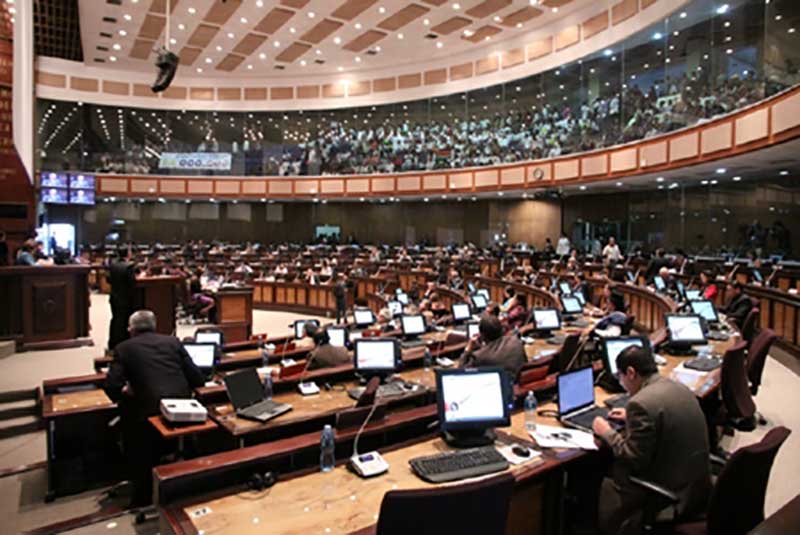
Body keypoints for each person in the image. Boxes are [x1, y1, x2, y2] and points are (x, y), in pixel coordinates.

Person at [592, 346, 710, 535]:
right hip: (696, 481)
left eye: (620, 377)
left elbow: (632, 457)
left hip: (670, 491)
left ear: (631, 373)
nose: (621, 384)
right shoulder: (676, 386)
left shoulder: (641, 403)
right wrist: (630, 417)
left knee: (600, 470)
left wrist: (606, 432)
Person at [104, 310, 206, 507]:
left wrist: (128, 391)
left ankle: (141, 496)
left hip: (146, 418)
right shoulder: (173, 342)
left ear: (130, 330)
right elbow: (197, 379)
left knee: (131, 424)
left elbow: (112, 387)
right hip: (185, 411)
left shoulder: (123, 348)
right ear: (154, 327)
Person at [458, 314, 526, 380]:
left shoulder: (480, 356)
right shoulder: (516, 341)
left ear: (482, 335)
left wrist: (468, 349)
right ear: (501, 330)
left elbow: (461, 371)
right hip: (519, 383)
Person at [108, 252, 138, 351]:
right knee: (125, 321)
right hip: (126, 299)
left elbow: (109, 280)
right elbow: (132, 283)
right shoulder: (129, 267)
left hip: (114, 297)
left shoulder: (112, 265)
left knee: (115, 320)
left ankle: (112, 344)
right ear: (128, 254)